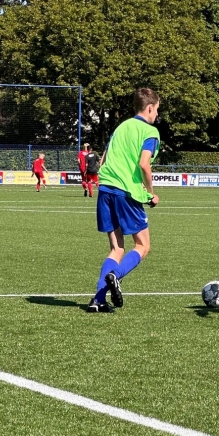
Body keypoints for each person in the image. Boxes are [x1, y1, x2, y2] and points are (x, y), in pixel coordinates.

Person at [87, 87, 161, 313]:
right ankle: (115, 275)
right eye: (157, 110)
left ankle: (98, 300)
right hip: (125, 192)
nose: (157, 114)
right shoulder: (150, 132)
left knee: (117, 248)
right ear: (149, 108)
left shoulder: (120, 128)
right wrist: (150, 193)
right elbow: (144, 164)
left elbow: (104, 159)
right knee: (143, 245)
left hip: (106, 188)